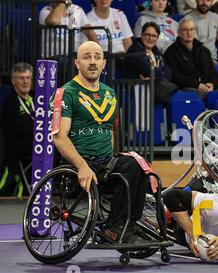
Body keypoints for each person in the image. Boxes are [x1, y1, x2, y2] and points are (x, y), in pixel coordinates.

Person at [50, 41, 149, 244]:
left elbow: (111, 133)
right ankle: (112, 228)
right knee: (130, 165)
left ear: (104, 63)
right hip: (79, 166)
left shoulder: (110, 94)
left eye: (97, 57)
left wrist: (113, 159)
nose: (93, 62)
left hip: (105, 164)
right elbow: (59, 137)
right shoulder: (66, 93)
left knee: (139, 165)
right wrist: (82, 166)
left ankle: (128, 224)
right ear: (77, 63)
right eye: (87, 57)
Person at [1, 63, 35, 195]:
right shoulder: (10, 103)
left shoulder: (37, 99)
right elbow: (21, 128)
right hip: (18, 149)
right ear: (13, 81)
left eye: (28, 78)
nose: (25, 81)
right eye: (21, 78)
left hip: (38, 141)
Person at [164, 18, 218, 98]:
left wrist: (212, 84)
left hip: (205, 87)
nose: (189, 33)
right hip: (185, 89)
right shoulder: (171, 52)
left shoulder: (204, 50)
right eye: (185, 30)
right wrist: (197, 85)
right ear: (178, 32)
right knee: (197, 95)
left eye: (191, 29)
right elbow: (175, 77)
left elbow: (213, 73)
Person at [124, 22, 177, 104]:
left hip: (155, 87)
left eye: (154, 36)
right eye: (147, 35)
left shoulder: (156, 52)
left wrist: (154, 76)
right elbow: (147, 69)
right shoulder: (135, 50)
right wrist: (157, 72)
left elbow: (168, 73)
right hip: (137, 88)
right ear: (141, 35)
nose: (150, 38)